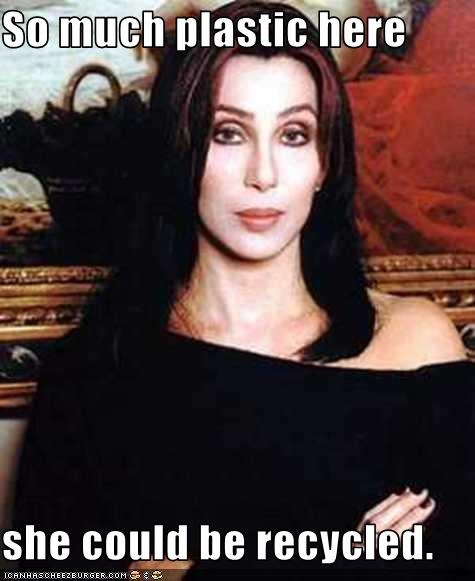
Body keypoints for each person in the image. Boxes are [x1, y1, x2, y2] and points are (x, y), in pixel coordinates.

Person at [13, 0, 473, 575]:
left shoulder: (417, 345)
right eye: (228, 133)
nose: (264, 174)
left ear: (325, 162)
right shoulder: (91, 377)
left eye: (294, 135)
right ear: (182, 149)